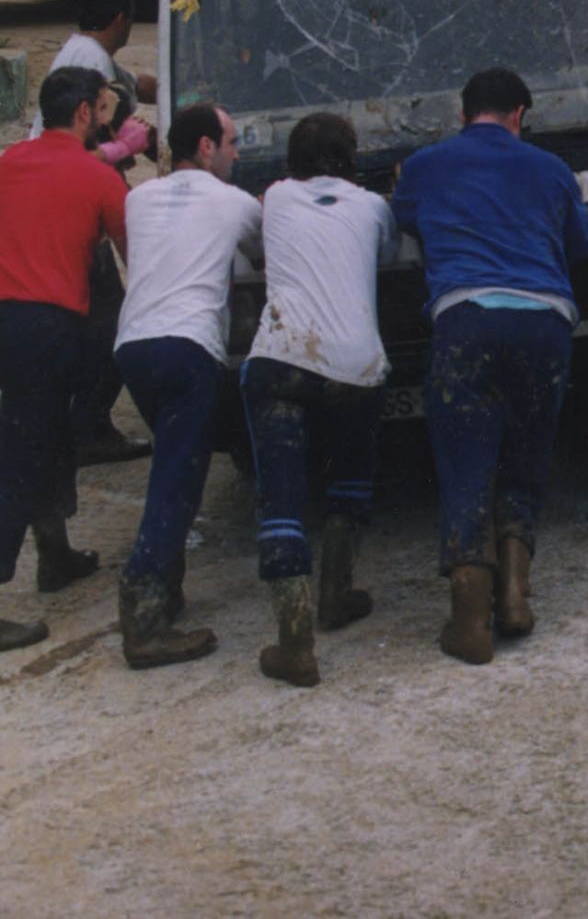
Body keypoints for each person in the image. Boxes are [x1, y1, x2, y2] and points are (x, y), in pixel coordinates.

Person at [392, 68, 588, 665]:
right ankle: (515, 593)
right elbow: (579, 245)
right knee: (526, 458)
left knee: (465, 463)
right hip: (545, 324)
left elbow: (406, 218)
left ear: (462, 115)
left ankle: (468, 619)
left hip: (466, 320)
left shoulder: (427, 165)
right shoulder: (553, 169)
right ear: (519, 116)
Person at [240, 113, 398, 687]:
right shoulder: (373, 207)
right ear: (351, 156)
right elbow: (384, 255)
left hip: (282, 359)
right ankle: (337, 592)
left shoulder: (276, 196)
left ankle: (294, 641)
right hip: (357, 367)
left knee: (281, 498)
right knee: (350, 477)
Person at [113, 104, 263, 670]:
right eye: (230, 142)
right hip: (188, 346)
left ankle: (165, 591)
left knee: (173, 464)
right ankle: (146, 612)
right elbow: (264, 247)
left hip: (134, 346)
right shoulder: (235, 202)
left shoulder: (139, 198)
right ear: (206, 147)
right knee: (179, 476)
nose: (236, 153)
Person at [0, 67, 128, 650]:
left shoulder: (8, 162)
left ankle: (54, 552)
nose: (107, 119)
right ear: (83, 113)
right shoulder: (96, 175)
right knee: (23, 454)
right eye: (103, 109)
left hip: (7, 314)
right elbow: (136, 251)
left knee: (45, 438)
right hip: (48, 323)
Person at [31, 0, 157, 467]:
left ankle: (78, 421)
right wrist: (125, 147)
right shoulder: (88, 64)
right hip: (71, 205)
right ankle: (87, 425)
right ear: (122, 20)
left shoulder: (85, 53)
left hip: (60, 201)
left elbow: (133, 84)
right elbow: (83, 150)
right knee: (113, 320)